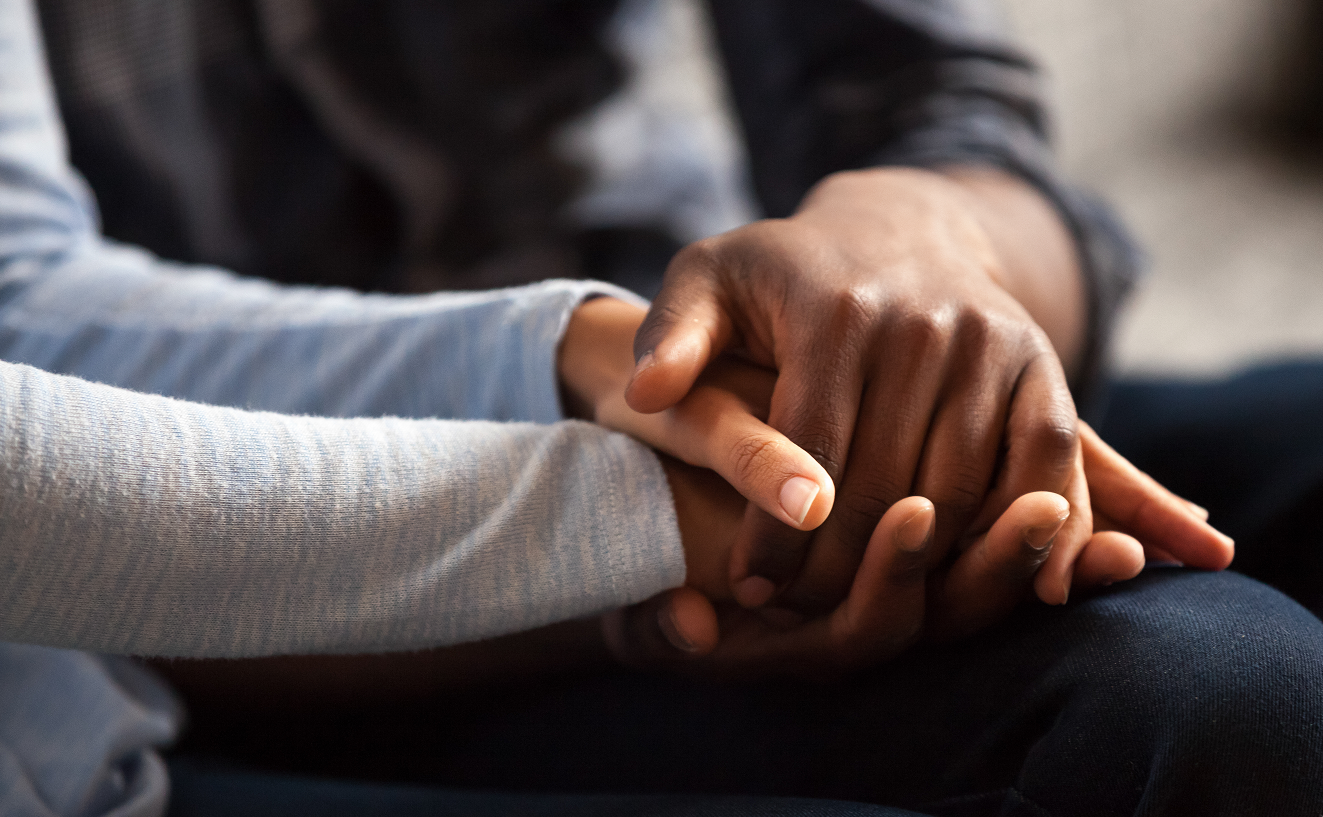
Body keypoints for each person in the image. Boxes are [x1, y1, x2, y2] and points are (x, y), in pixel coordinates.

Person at [1, 2, 1321, 817]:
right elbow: (27, 324)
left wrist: (922, 243)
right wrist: (692, 503)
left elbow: (942, 106)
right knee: (1211, 691)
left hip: (727, 398)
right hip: (236, 559)